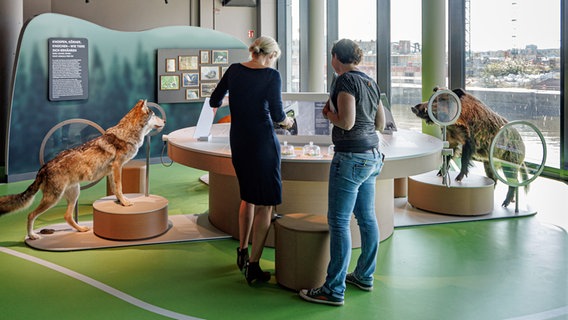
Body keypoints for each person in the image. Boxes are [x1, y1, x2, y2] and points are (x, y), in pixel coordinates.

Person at [299, 39, 386, 306]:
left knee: (338, 222)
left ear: (336, 57)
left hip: (350, 157)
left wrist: (328, 116)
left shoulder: (344, 81)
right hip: (372, 156)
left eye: (331, 57)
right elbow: (380, 123)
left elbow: (346, 122)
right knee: (367, 218)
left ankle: (333, 289)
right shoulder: (370, 82)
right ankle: (364, 275)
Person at [209, 36, 294, 284]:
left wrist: (238, 99)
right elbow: (278, 114)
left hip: (240, 141)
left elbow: (215, 100)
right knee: (266, 203)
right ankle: (254, 267)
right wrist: (288, 122)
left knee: (247, 197)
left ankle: (242, 250)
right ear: (271, 55)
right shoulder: (271, 76)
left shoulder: (235, 70)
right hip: (262, 142)